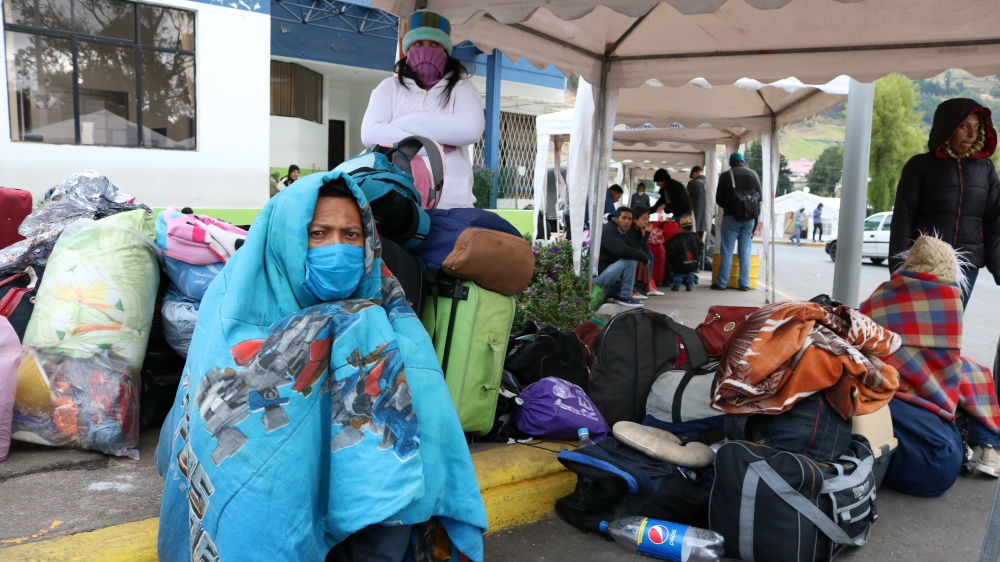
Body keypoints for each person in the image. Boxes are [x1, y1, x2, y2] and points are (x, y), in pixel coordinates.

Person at [155, 171, 487, 561]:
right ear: (288, 238)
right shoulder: (236, 301)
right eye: (318, 233)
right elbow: (225, 409)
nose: (338, 247)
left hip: (369, 510)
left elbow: (425, 422)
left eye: (351, 235)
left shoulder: (385, 303)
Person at [861, 235, 1000, 492]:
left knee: (968, 372)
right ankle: (990, 446)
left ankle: (986, 444)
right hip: (928, 447)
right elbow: (947, 367)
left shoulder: (881, 296)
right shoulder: (948, 301)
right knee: (973, 373)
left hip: (876, 398)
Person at [361, 9, 485, 210]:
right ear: (408, 47)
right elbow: (370, 133)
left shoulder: (463, 88)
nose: (426, 50)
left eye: (434, 44)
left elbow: (470, 130)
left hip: (453, 203)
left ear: (445, 49)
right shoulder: (388, 87)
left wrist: (403, 124)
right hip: (400, 202)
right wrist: (439, 145)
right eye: (418, 43)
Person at [889, 98, 1000, 309]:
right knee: (921, 322)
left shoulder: (986, 170)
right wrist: (898, 268)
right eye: (964, 126)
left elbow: (995, 221)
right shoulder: (919, 166)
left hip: (967, 265)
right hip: (925, 262)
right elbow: (903, 218)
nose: (972, 134)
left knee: (950, 322)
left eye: (977, 127)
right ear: (947, 127)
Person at [712, 152, 761, 291]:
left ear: (731, 163)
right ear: (743, 161)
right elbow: (760, 197)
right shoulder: (753, 174)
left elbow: (718, 199)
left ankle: (722, 283)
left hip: (731, 217)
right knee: (745, 251)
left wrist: (730, 206)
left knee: (727, 250)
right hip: (749, 218)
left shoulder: (726, 175)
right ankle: (744, 283)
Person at [595, 206, 649, 307]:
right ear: (616, 219)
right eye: (624, 218)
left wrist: (644, 256)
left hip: (609, 275)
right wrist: (643, 257)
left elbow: (638, 249)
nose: (627, 221)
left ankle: (620, 294)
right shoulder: (609, 230)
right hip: (597, 278)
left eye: (629, 219)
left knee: (635, 258)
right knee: (630, 261)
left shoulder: (622, 232)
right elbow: (622, 251)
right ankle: (625, 296)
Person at [627, 206, 664, 298]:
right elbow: (639, 247)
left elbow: (644, 248)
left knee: (650, 255)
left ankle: (647, 286)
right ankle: (640, 287)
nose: (646, 222)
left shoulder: (637, 230)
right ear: (635, 220)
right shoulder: (630, 231)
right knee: (646, 257)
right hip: (629, 254)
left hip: (634, 252)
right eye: (643, 219)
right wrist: (647, 233)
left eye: (647, 219)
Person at [687, 166, 707, 236]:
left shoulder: (693, 183)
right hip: (707, 216)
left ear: (695, 173)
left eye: (692, 176)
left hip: (694, 216)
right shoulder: (710, 182)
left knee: (693, 237)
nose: (693, 178)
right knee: (701, 237)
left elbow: (686, 198)